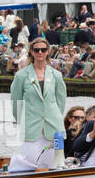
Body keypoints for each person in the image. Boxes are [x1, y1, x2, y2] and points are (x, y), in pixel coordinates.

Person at [10, 37, 67, 169]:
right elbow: (15, 104)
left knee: (52, 165)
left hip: (53, 127)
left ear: (48, 52)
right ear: (31, 52)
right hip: (30, 128)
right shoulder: (21, 76)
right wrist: (24, 121)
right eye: (36, 50)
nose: (40, 52)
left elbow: (61, 103)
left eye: (43, 49)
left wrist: (54, 117)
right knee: (30, 163)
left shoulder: (56, 75)